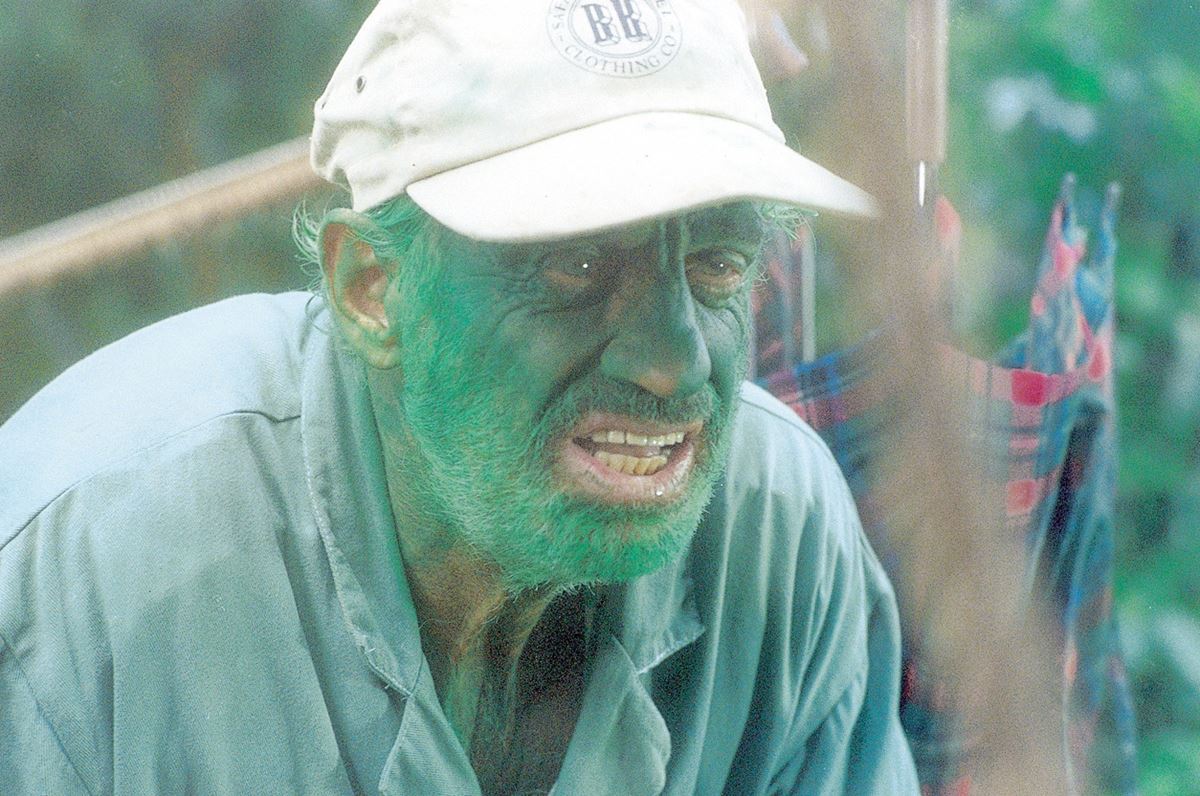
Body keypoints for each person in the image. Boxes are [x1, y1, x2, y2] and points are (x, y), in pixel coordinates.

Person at [0, 1, 918, 793]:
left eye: (717, 263)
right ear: (371, 289)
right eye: (577, 265)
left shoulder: (781, 530)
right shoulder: (87, 571)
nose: (674, 366)